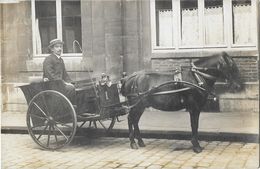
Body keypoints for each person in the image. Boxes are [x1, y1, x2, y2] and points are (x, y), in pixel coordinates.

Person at [43, 38, 76, 103]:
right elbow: (50, 75)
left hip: (59, 84)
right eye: (57, 47)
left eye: (60, 47)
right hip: (52, 85)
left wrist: (70, 82)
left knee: (75, 87)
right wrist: (63, 83)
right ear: (52, 49)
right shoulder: (48, 59)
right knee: (70, 89)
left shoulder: (61, 60)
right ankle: (65, 106)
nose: (59, 49)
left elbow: (65, 74)